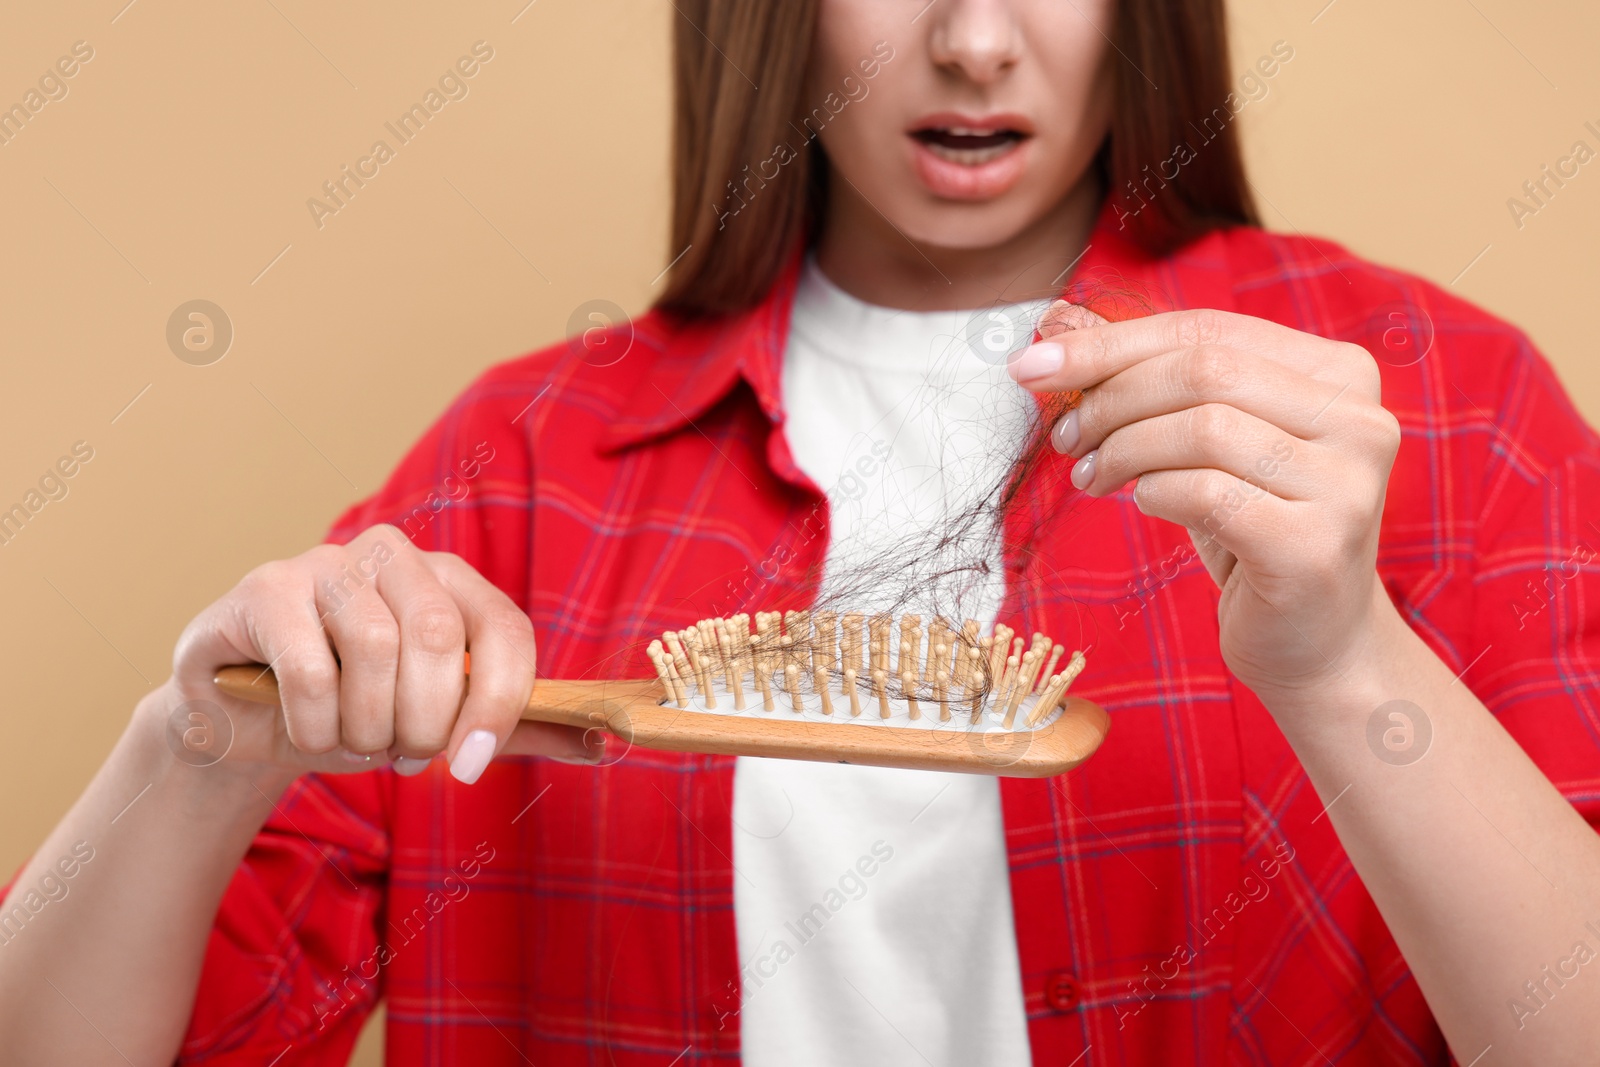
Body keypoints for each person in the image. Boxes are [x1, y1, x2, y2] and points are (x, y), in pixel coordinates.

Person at [4, 0, 1599, 1064]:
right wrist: (186, 753)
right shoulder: (522, 469)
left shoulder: (1434, 411)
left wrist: (1342, 659)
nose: (977, 43)